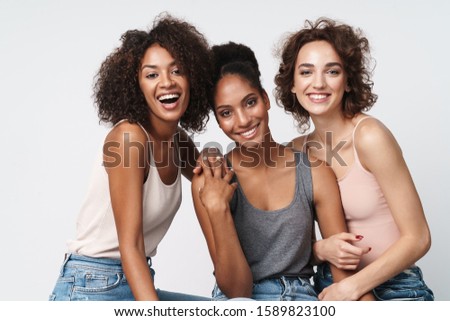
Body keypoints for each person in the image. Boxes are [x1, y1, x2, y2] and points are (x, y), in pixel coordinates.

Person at [49, 13, 212, 301]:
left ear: (192, 77)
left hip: (133, 278)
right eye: (152, 74)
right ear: (135, 86)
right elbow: (131, 246)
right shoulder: (129, 138)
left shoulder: (178, 141)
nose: (166, 83)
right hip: (92, 286)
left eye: (176, 71)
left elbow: (214, 179)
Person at [192, 42, 366, 301]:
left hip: (302, 300)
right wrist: (217, 210)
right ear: (218, 120)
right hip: (240, 307)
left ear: (265, 99)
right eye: (226, 113)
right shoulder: (211, 179)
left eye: (250, 102)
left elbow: (344, 277)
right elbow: (237, 292)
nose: (242, 120)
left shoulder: (315, 172)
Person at [274, 17, 434, 301]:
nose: (318, 83)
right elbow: (289, 243)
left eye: (332, 71)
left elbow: (418, 237)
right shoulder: (296, 151)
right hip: (329, 285)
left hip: (395, 287)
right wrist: (320, 249)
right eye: (306, 72)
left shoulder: (370, 136)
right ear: (293, 85)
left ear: (348, 81)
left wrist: (354, 287)